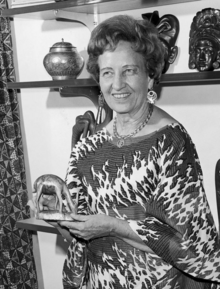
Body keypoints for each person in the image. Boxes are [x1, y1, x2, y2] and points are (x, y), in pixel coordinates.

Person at [34, 15, 220, 289]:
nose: (117, 84)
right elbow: (76, 232)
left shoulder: (170, 143)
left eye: (129, 70)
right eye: (108, 72)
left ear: (150, 76)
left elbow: (193, 246)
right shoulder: (88, 147)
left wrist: (112, 226)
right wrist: (58, 216)